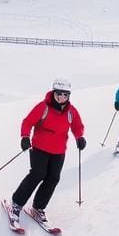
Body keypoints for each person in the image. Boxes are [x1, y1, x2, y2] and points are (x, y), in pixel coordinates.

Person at [9, 77, 85, 226]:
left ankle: (38, 208)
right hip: (39, 148)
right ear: (54, 92)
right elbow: (28, 122)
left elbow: (77, 126)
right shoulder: (43, 107)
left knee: (53, 178)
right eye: (59, 94)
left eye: (65, 94)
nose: (62, 97)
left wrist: (79, 137)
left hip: (59, 151)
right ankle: (16, 204)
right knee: (37, 174)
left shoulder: (71, 111)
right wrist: (25, 137)